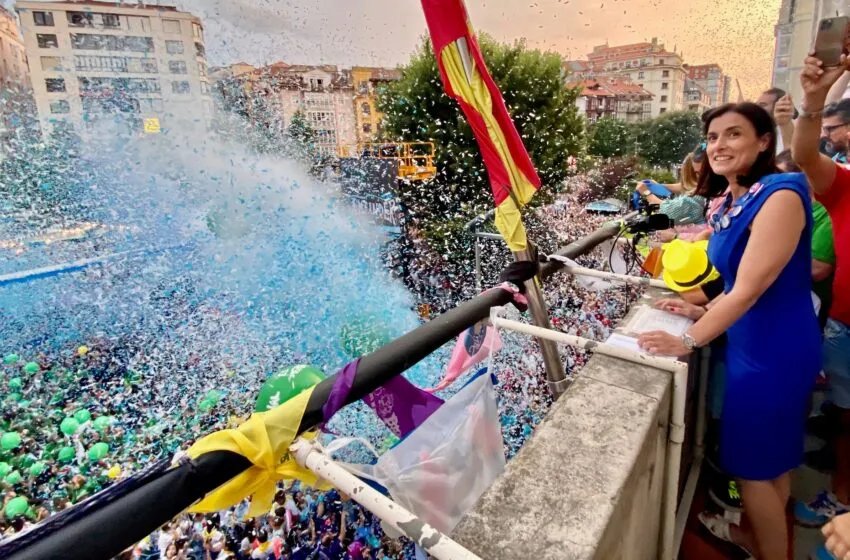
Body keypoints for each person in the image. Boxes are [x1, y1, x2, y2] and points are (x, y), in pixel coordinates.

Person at [638, 101, 822, 559]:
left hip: (773, 353)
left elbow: (749, 292)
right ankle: (766, 541)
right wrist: (699, 309)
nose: (719, 145)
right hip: (752, 343)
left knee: (755, 472)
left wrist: (684, 340)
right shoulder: (738, 199)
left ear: (764, 142)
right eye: (713, 137)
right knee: (772, 464)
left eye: (734, 134)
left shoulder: (779, 194)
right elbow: (737, 284)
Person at [790, 52, 850, 560]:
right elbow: (806, 156)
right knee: (847, 418)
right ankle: (844, 502)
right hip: (844, 329)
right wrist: (812, 98)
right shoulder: (845, 189)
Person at [635, 151, 708, 228]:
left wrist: (646, 193)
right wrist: (657, 186)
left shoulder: (696, 199)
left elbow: (667, 210)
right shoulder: (708, 189)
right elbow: (685, 186)